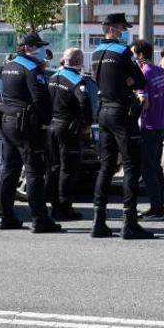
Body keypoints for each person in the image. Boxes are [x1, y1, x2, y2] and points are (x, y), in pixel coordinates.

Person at [90, 13, 153, 240]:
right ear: (112, 28)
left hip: (103, 111)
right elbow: (140, 81)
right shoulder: (122, 51)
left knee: (106, 166)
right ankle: (129, 222)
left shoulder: (96, 52)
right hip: (120, 111)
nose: (124, 31)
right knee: (130, 166)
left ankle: (98, 221)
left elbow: (100, 80)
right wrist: (128, 80)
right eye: (122, 27)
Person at [0, 32, 61, 233]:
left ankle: (5, 216)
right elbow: (40, 99)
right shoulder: (33, 68)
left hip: (7, 122)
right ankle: (40, 219)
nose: (41, 50)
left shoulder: (9, 66)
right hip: (26, 126)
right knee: (34, 172)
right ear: (27, 47)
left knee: (10, 170)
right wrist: (45, 122)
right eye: (37, 46)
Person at [45, 47, 92, 222]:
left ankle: (54, 207)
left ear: (63, 61)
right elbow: (85, 102)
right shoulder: (76, 80)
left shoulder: (52, 77)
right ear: (80, 63)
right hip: (68, 128)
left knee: (54, 168)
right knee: (68, 170)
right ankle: (64, 208)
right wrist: (85, 123)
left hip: (52, 126)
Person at [132, 39, 164, 221]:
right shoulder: (158, 71)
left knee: (147, 169)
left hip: (149, 125)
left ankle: (157, 208)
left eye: (133, 53)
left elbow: (144, 103)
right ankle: (160, 205)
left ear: (140, 54)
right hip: (162, 124)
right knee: (156, 166)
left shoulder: (143, 73)